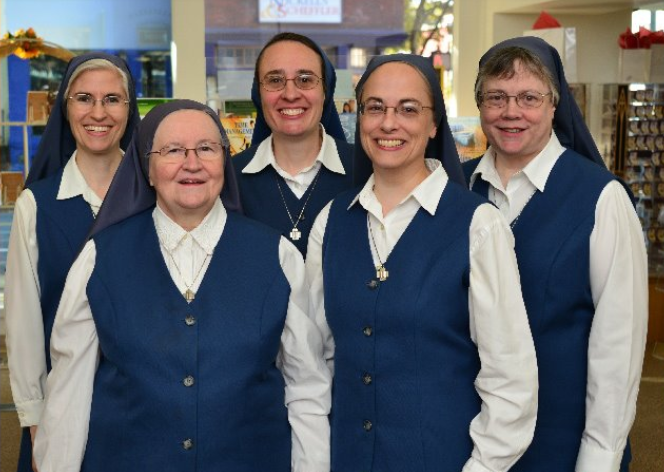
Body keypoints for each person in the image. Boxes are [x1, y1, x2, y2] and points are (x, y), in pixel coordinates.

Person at [33, 100, 332, 472]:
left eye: (206, 148)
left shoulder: (279, 256)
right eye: (173, 151)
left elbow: (306, 387)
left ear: (224, 161)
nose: (192, 163)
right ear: (148, 169)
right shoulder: (99, 258)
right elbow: (69, 390)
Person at [306, 54, 538, 472]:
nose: (388, 123)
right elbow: (314, 363)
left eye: (408, 109)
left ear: (434, 124)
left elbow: (510, 380)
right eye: (375, 107)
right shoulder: (330, 221)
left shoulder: (479, 226)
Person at [464, 36, 648, 472]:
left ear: (554, 104)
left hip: (559, 441)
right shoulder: (457, 188)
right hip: (466, 438)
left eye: (529, 98)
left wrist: (599, 456)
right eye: (496, 97)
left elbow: (617, 347)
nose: (511, 112)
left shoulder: (601, 198)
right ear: (480, 105)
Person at [4, 52, 140, 472]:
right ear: (65, 108)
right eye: (84, 98)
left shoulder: (156, 196)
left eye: (112, 99)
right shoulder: (36, 206)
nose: (98, 113)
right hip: (61, 408)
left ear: (129, 108)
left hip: (144, 408)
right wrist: (35, 419)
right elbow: (24, 325)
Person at [233, 32, 353, 257]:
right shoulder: (227, 178)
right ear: (258, 93)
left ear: (325, 91)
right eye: (275, 80)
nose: (290, 94)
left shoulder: (367, 172)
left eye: (305, 79)